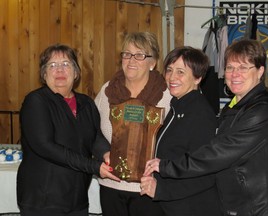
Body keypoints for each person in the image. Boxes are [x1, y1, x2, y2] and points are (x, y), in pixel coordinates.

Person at [143, 39, 268, 216]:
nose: (235, 74)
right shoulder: (234, 106)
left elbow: (218, 153)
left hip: (258, 208)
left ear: (260, 71)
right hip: (236, 205)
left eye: (243, 68)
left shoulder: (263, 110)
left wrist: (167, 168)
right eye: (229, 68)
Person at [17, 44, 119, 216]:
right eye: (52, 65)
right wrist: (94, 166)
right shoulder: (36, 102)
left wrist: (106, 154)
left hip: (76, 198)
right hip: (43, 201)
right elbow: (45, 146)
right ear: (44, 73)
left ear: (76, 72)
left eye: (66, 64)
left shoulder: (86, 103)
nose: (59, 70)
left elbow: (95, 137)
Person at [95, 32, 171, 216]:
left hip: (148, 188)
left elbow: (175, 140)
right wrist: (103, 152)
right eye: (127, 54)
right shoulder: (107, 90)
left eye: (140, 55)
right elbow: (92, 131)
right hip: (111, 184)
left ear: (152, 63)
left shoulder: (167, 95)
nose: (131, 60)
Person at [140, 46, 222, 216]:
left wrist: (161, 190)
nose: (172, 77)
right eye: (169, 70)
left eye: (181, 72)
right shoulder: (178, 106)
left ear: (198, 77)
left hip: (193, 208)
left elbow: (205, 174)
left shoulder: (200, 114)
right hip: (173, 206)